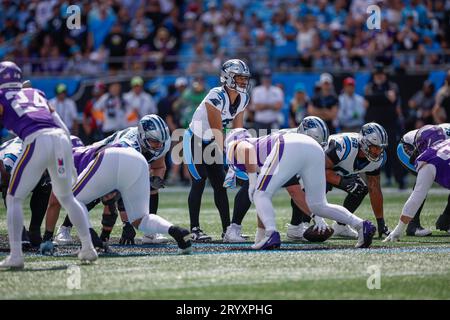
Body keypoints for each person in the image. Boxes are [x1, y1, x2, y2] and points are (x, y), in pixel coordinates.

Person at [0, 61, 96, 269]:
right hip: (61, 139)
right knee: (67, 197)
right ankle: (88, 247)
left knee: (13, 197)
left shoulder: (2, 96)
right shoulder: (36, 93)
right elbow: (60, 122)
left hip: (37, 139)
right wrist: (69, 154)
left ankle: (16, 255)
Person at [225, 129, 376, 249]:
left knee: (259, 193)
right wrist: (260, 235)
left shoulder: (236, 144)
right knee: (318, 205)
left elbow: (247, 149)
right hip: (312, 147)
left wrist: (251, 182)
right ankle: (361, 225)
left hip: (289, 144)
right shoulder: (264, 150)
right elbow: (294, 190)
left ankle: (271, 234)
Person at [40, 143, 192, 255]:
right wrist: (104, 236)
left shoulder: (62, 159)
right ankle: (177, 232)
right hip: (138, 160)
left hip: (110, 157)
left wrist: (47, 238)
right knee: (140, 219)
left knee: (71, 200)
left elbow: (54, 203)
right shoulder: (81, 152)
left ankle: (92, 243)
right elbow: (110, 206)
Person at [55, 115, 171, 245]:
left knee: (152, 187)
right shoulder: (128, 145)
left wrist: (156, 180)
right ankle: (64, 228)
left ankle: (150, 233)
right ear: (143, 137)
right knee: (93, 195)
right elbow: (122, 186)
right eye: (155, 141)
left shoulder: (161, 143)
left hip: (119, 162)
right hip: (99, 159)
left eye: (162, 141)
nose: (159, 145)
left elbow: (159, 166)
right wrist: (127, 224)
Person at [183, 59, 251, 241]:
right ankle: (194, 230)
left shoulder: (243, 98)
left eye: (245, 78)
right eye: (239, 78)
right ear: (227, 77)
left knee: (220, 185)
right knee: (199, 180)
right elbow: (217, 129)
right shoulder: (216, 95)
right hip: (195, 138)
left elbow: (237, 131)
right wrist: (230, 158)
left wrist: (239, 152)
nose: (244, 82)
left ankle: (227, 230)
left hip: (213, 141)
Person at [385, 125, 450, 242]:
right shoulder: (430, 155)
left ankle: (446, 220)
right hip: (408, 145)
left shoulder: (432, 154)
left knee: (423, 184)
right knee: (423, 182)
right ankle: (413, 225)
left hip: (433, 154)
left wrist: (398, 230)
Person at [364, 64, 406, 189]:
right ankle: (373, 182)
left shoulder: (392, 85)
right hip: (375, 125)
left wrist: (374, 99)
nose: (379, 77)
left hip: (390, 123)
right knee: (372, 153)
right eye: (377, 75)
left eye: (381, 74)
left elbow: (392, 98)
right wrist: (384, 97)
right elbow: (366, 100)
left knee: (393, 152)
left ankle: (400, 181)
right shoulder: (370, 86)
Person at [251, 68, 284, 135]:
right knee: (261, 144)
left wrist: (263, 106)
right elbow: (257, 107)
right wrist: (272, 106)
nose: (266, 79)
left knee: (275, 142)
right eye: (265, 77)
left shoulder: (277, 90)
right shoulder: (256, 90)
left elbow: (278, 106)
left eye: (268, 77)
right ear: (262, 78)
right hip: (260, 122)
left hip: (273, 122)